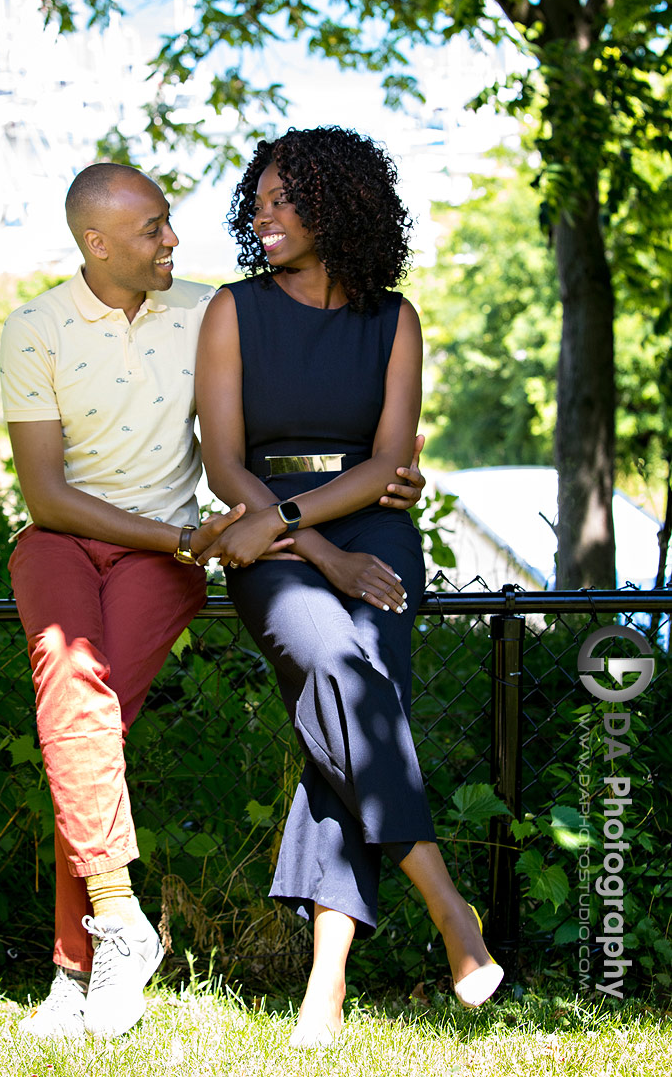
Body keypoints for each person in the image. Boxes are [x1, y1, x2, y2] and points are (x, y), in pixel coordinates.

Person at [0, 160, 425, 1041]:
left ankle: (79, 966)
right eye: (153, 227)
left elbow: (323, 382)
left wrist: (386, 479)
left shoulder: (211, 309)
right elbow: (44, 496)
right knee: (73, 696)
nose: (173, 238)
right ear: (97, 242)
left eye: (168, 222)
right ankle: (109, 933)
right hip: (83, 541)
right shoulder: (34, 327)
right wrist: (197, 537)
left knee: (86, 734)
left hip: (175, 550)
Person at [195, 126, 503, 1049]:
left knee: (354, 714)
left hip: (367, 523)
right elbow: (220, 460)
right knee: (338, 667)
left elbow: (386, 463)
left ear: (340, 206)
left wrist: (315, 530)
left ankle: (323, 986)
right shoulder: (233, 310)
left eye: (287, 198)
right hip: (266, 526)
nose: (264, 211)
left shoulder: (393, 318)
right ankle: (452, 913)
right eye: (261, 196)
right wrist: (312, 549)